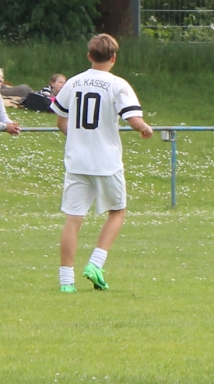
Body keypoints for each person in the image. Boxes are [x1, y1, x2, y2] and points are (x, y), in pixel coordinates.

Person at [53, 33, 154, 292]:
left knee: (73, 219)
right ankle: (95, 264)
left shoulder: (73, 82)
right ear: (114, 58)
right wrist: (145, 128)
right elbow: (133, 119)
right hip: (106, 161)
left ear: (89, 56)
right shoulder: (118, 84)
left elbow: (61, 120)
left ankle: (66, 282)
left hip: (77, 161)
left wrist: (77, 139)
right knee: (117, 211)